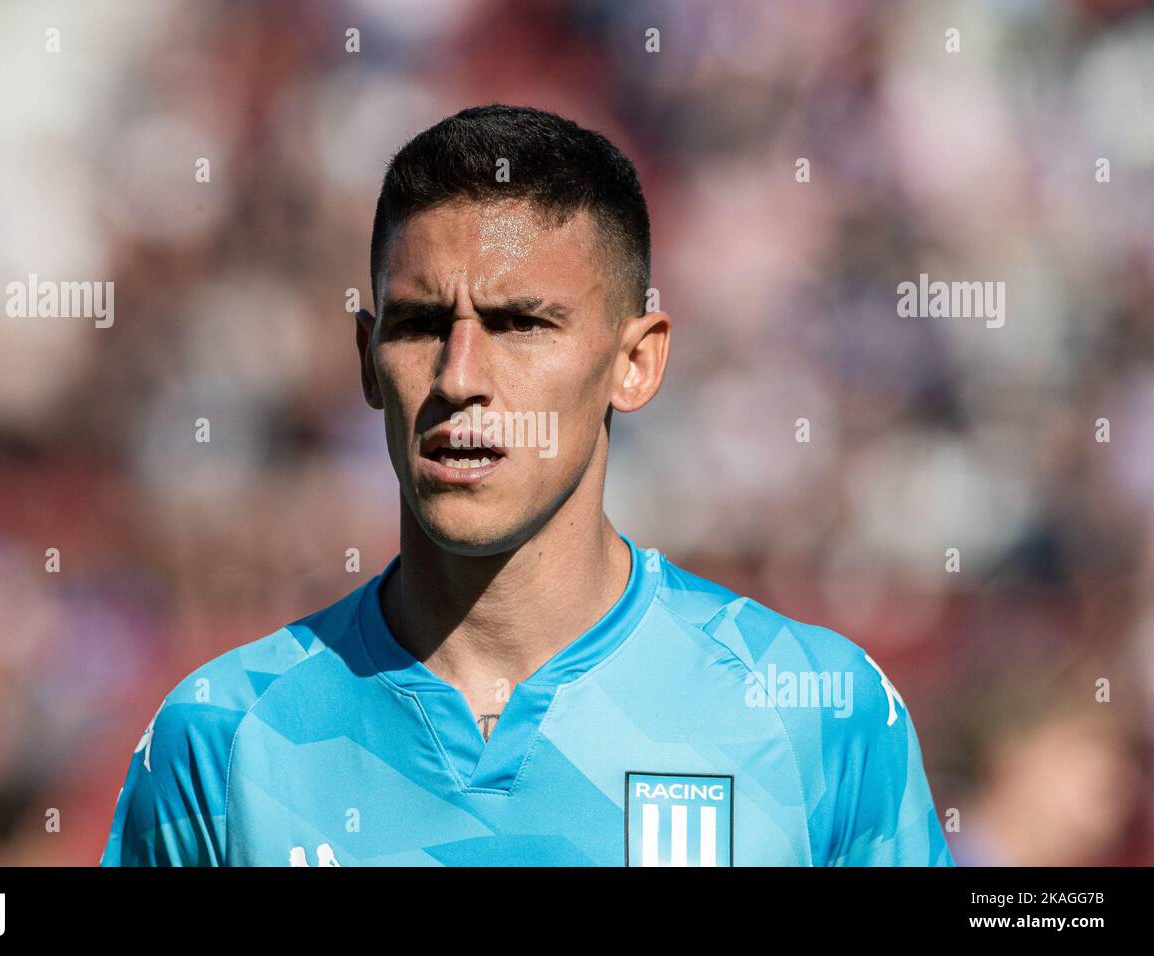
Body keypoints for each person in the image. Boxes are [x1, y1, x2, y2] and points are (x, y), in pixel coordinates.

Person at [101, 104, 954, 866]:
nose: (458, 376)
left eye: (520, 324)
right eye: (421, 324)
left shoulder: (812, 711)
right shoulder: (221, 739)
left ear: (636, 361)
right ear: (366, 357)